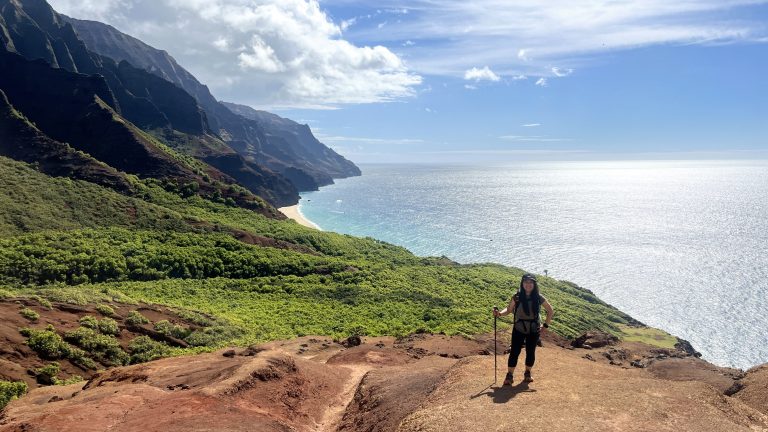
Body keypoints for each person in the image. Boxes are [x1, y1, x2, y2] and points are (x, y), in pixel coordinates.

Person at [493, 273, 554, 385]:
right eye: (526, 282)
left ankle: (527, 373)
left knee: (530, 352)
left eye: (531, 282)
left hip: (533, 329)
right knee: (514, 352)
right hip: (519, 328)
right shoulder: (517, 296)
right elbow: (509, 310)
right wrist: (499, 314)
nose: (528, 284)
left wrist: (545, 325)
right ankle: (509, 375)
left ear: (534, 284)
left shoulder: (538, 297)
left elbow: (550, 311)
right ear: (522, 283)